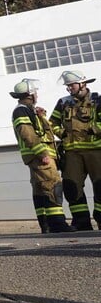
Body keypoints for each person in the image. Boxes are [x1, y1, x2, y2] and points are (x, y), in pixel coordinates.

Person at [10, 78, 72, 233]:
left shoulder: (29, 111)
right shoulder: (21, 111)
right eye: (35, 92)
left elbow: (43, 131)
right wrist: (42, 153)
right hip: (39, 157)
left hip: (35, 157)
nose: (37, 94)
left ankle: (45, 225)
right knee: (53, 184)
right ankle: (58, 224)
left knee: (40, 189)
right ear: (30, 94)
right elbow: (27, 133)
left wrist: (40, 116)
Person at [50, 70, 101, 231]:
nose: (69, 88)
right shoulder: (63, 102)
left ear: (83, 84)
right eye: (68, 86)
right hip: (72, 153)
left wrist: (94, 129)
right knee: (72, 188)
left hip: (96, 151)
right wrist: (62, 133)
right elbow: (52, 123)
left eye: (71, 85)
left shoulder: (98, 101)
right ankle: (81, 222)